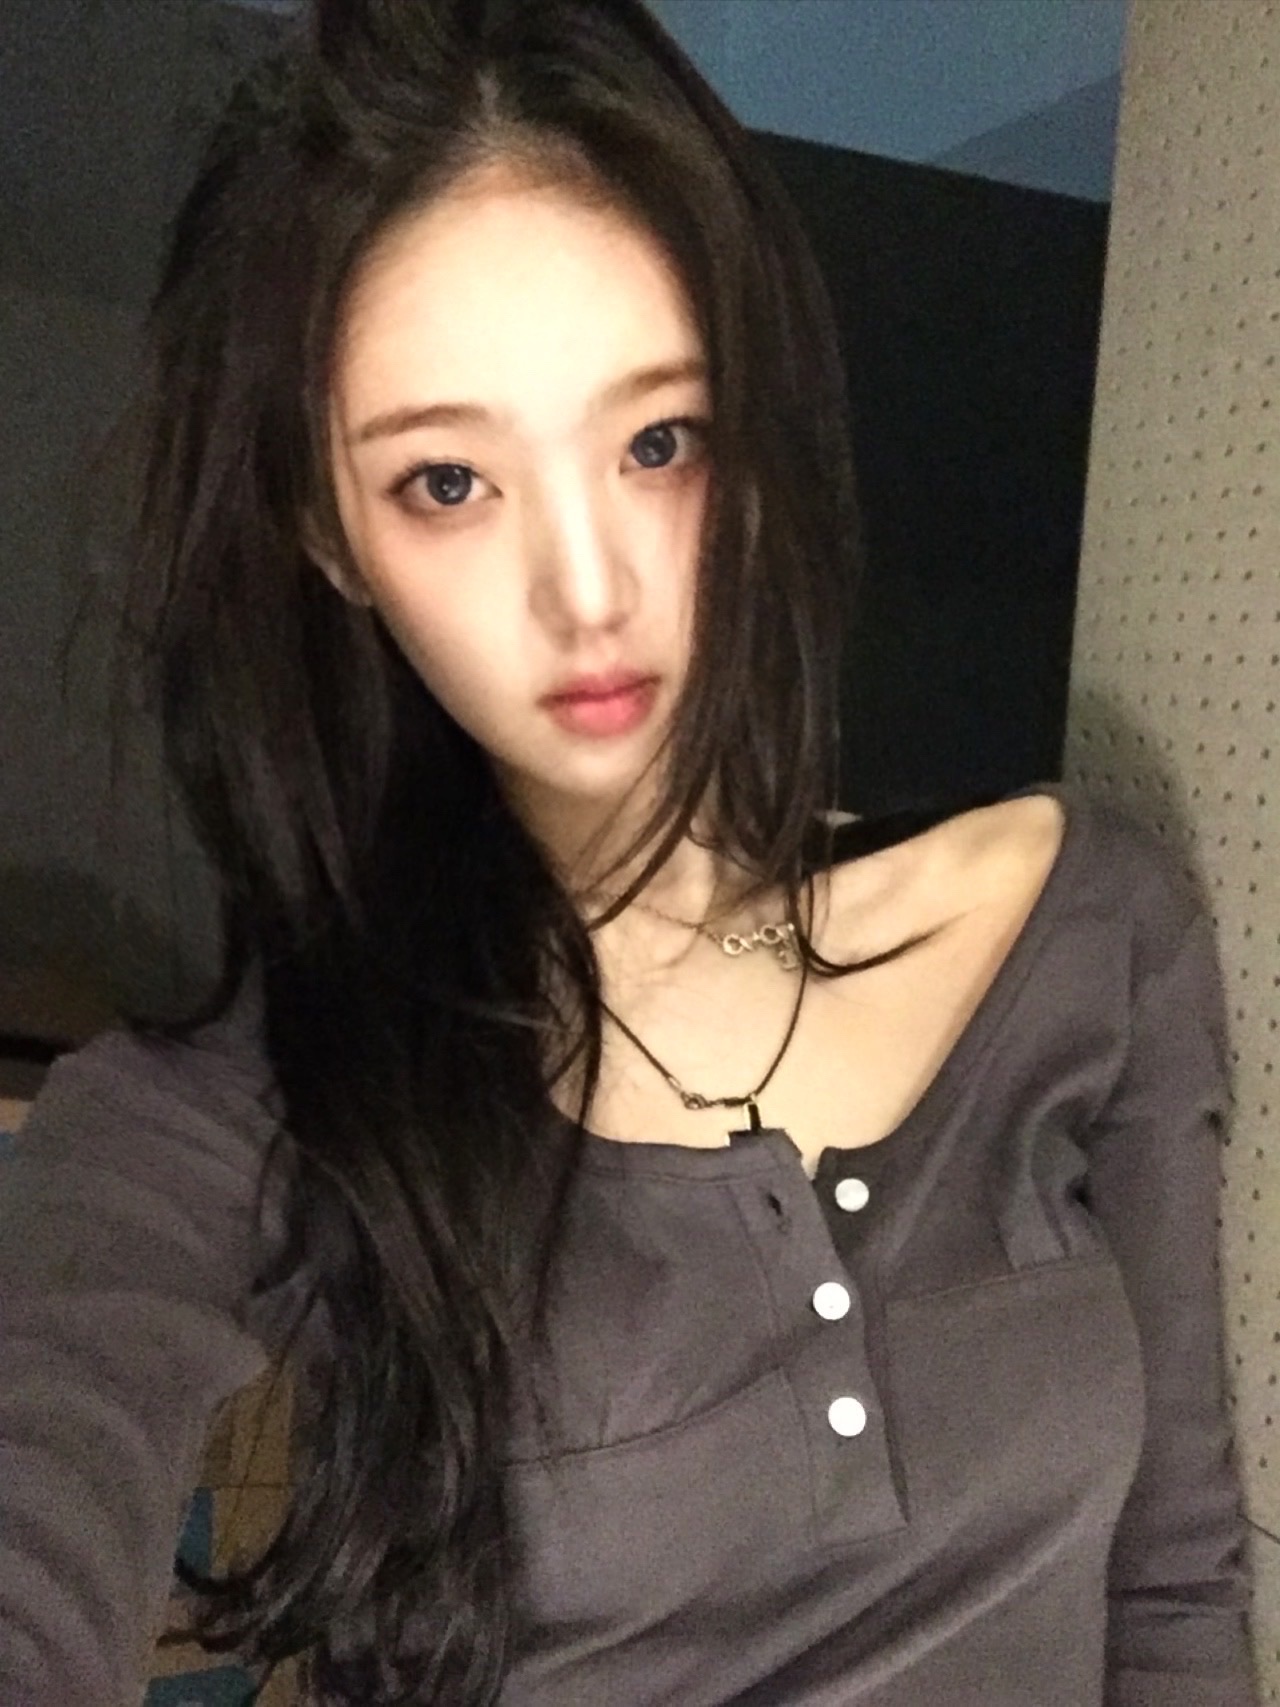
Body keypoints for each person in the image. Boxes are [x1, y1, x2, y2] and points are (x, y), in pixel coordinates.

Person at [0, 0, 1257, 1702]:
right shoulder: (259, 1099)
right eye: (449, 483)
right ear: (331, 535)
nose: (587, 589)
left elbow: (1174, 1596)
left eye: (657, 443)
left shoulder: (1089, 925)